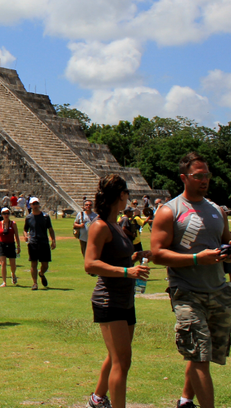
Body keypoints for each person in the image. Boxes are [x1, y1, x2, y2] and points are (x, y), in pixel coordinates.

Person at [150, 152, 231, 408]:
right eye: (199, 176)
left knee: (203, 355)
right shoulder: (169, 211)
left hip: (219, 290)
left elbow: (226, 242)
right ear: (184, 177)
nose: (205, 180)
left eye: (207, 175)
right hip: (187, 292)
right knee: (198, 356)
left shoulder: (218, 210)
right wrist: (197, 258)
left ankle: (185, 401)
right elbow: (157, 254)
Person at [84, 174, 150, 408]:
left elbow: (116, 257)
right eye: (127, 194)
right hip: (108, 300)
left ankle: (97, 398)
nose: (128, 198)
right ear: (121, 195)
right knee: (122, 360)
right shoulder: (100, 226)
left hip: (125, 300)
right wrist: (127, 272)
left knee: (117, 357)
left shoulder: (117, 224)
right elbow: (90, 264)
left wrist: (135, 257)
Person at [24, 197, 56, 290]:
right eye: (33, 204)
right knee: (33, 264)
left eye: (36, 203)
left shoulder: (45, 217)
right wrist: (26, 236)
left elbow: (50, 229)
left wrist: (53, 240)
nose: (35, 205)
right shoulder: (28, 217)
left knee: (45, 265)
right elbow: (25, 230)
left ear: (39, 204)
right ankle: (35, 283)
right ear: (30, 205)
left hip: (44, 242)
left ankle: (41, 273)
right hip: (33, 243)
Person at [0, 207, 21, 286]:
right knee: (3, 263)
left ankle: (13, 273)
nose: (6, 215)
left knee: (12, 264)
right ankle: (4, 281)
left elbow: (16, 235)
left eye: (7, 213)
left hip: (11, 244)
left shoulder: (13, 223)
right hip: (2, 244)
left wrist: (18, 246)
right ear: (2, 214)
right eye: (4, 213)